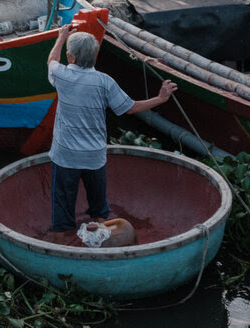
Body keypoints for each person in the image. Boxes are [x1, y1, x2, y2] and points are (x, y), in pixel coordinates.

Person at [46, 21, 177, 238]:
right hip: (95, 157)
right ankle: (103, 241)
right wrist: (160, 98)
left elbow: (51, 60)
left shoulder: (61, 75)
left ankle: (63, 242)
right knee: (99, 207)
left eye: (69, 53)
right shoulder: (104, 82)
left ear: (72, 58)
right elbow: (130, 108)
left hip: (66, 156)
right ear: (94, 56)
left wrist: (60, 37)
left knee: (63, 206)